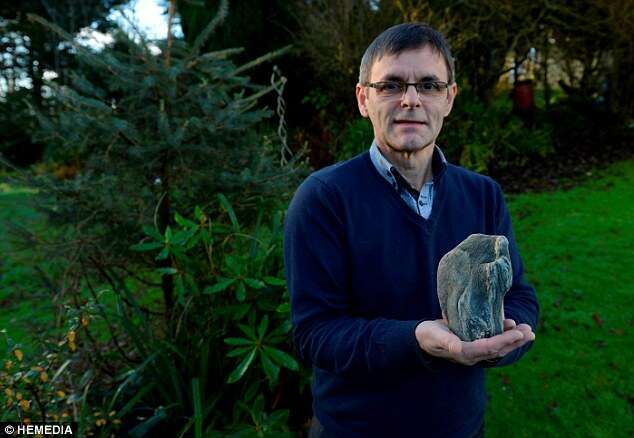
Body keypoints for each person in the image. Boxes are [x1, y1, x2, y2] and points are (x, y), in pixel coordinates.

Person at [284, 23, 538, 438]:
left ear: (449, 98)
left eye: (429, 84)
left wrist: (500, 341)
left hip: (461, 427)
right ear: (363, 98)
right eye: (391, 85)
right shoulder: (323, 200)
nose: (411, 99)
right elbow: (316, 334)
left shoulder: (483, 195)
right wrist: (416, 338)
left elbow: (520, 294)